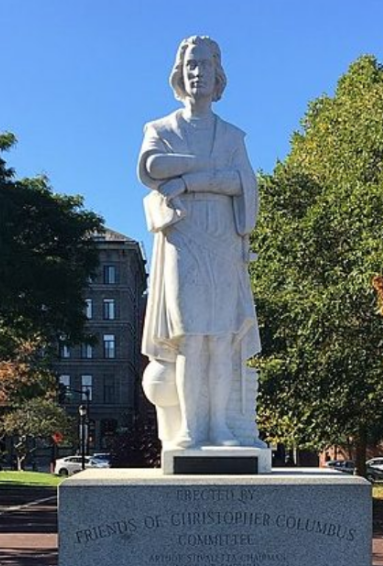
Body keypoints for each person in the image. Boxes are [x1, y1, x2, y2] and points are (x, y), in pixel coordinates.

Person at [137, 36, 263, 451]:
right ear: (180, 72)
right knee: (191, 336)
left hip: (224, 241)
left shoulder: (231, 135)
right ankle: (191, 429)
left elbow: (243, 183)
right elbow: (152, 167)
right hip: (183, 241)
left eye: (205, 65)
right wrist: (214, 174)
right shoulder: (161, 128)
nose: (198, 73)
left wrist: (188, 179)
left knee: (222, 338)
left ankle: (221, 429)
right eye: (191, 65)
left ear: (217, 73)